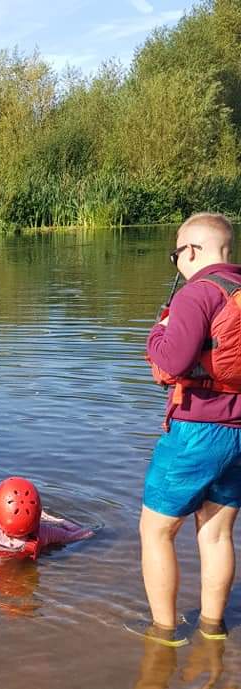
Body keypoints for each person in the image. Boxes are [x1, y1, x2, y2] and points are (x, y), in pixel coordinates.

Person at [141, 212, 241, 646]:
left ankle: (165, 635)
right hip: (239, 431)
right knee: (217, 532)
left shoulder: (196, 294)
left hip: (197, 430)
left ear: (193, 251)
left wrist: (155, 335)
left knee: (155, 530)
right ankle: (213, 629)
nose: (177, 263)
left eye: (176, 254)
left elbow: (171, 362)